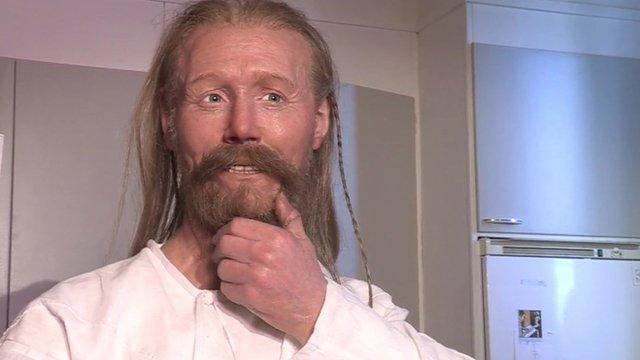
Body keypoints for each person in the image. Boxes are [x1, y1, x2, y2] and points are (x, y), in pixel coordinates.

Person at [0, 1, 474, 359]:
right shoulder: (66, 327)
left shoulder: (367, 313)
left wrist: (315, 311)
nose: (242, 126)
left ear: (319, 122)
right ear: (169, 123)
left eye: (272, 96)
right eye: (211, 98)